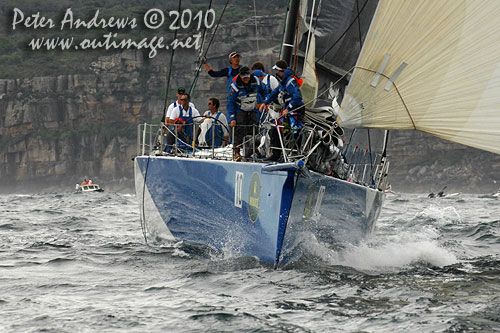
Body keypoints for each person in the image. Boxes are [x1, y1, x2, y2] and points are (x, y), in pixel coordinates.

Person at [227, 66, 267, 161]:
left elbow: (265, 90)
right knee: (238, 132)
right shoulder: (234, 87)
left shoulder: (257, 82)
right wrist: (232, 118)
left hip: (252, 110)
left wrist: (266, 101)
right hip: (240, 111)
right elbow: (230, 103)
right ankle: (236, 152)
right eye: (244, 77)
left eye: (247, 77)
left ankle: (253, 150)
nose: (246, 79)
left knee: (254, 130)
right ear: (240, 76)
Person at [259, 59, 305, 131]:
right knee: (282, 130)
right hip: (287, 111)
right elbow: (275, 92)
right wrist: (265, 102)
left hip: (296, 110)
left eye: (277, 71)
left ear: (281, 71)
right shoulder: (282, 82)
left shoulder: (290, 82)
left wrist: (288, 109)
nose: (277, 73)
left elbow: (297, 97)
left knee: (295, 131)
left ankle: (298, 141)